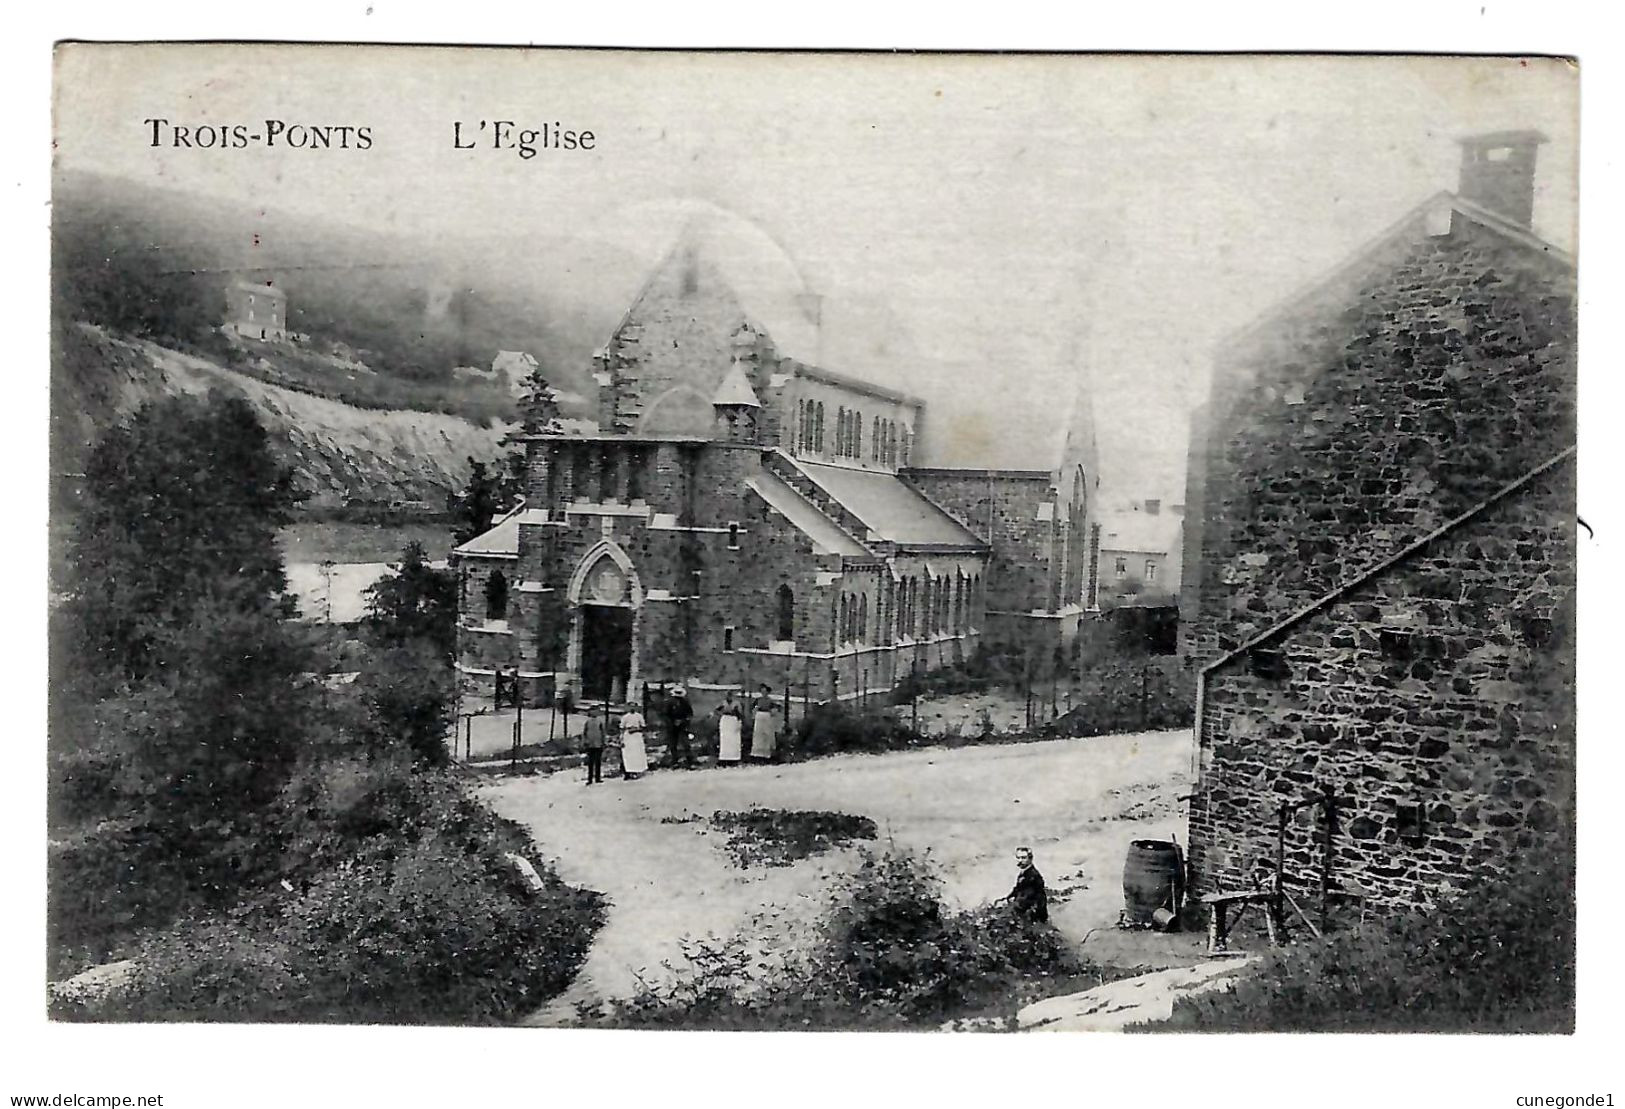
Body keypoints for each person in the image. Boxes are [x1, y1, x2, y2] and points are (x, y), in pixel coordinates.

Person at [1006, 846, 1048, 923]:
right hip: (1025, 910)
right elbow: (1018, 888)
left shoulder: (1033, 875)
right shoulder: (1024, 873)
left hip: (1033, 915)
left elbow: (1028, 896)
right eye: (1018, 858)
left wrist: (1014, 904)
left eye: (1023, 858)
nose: (1020, 861)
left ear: (1030, 859)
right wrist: (1008, 897)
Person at [665, 685, 695, 769]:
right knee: (673, 744)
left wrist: (684, 721)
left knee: (686, 743)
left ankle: (690, 761)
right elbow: (666, 715)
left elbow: (690, 713)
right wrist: (672, 722)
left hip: (683, 725)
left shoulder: (685, 702)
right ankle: (675, 761)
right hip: (672, 726)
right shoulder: (670, 702)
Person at [619, 702, 649, 779]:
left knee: (636, 754)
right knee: (628, 754)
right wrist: (621, 739)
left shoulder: (639, 716)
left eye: (634, 707)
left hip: (637, 737)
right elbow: (622, 728)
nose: (632, 708)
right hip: (628, 737)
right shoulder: (625, 717)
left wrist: (637, 729)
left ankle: (636, 771)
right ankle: (628, 772)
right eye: (630, 707)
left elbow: (643, 727)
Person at [749, 683, 778, 762]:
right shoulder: (758, 700)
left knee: (767, 734)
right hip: (759, 717)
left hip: (767, 717)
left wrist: (772, 712)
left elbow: (775, 710)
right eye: (762, 691)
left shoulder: (770, 701)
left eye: (765, 692)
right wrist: (754, 713)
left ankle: (766, 754)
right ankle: (757, 755)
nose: (764, 693)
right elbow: (753, 708)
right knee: (758, 734)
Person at [716, 690, 744, 765]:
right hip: (725, 721)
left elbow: (740, 713)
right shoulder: (723, 703)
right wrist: (721, 714)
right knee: (725, 739)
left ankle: (734, 758)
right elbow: (716, 710)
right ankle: (724, 757)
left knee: (734, 740)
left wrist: (739, 721)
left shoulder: (736, 703)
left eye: (730, 695)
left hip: (733, 720)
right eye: (727, 695)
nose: (728, 696)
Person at [581, 704, 607, 785]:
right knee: (590, 762)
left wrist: (604, 742)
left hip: (598, 744)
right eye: (592, 711)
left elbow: (603, 733)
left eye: (596, 711)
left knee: (598, 761)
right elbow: (584, 733)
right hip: (590, 744)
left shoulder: (600, 722)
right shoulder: (587, 722)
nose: (594, 713)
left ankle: (598, 778)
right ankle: (590, 779)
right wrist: (584, 741)